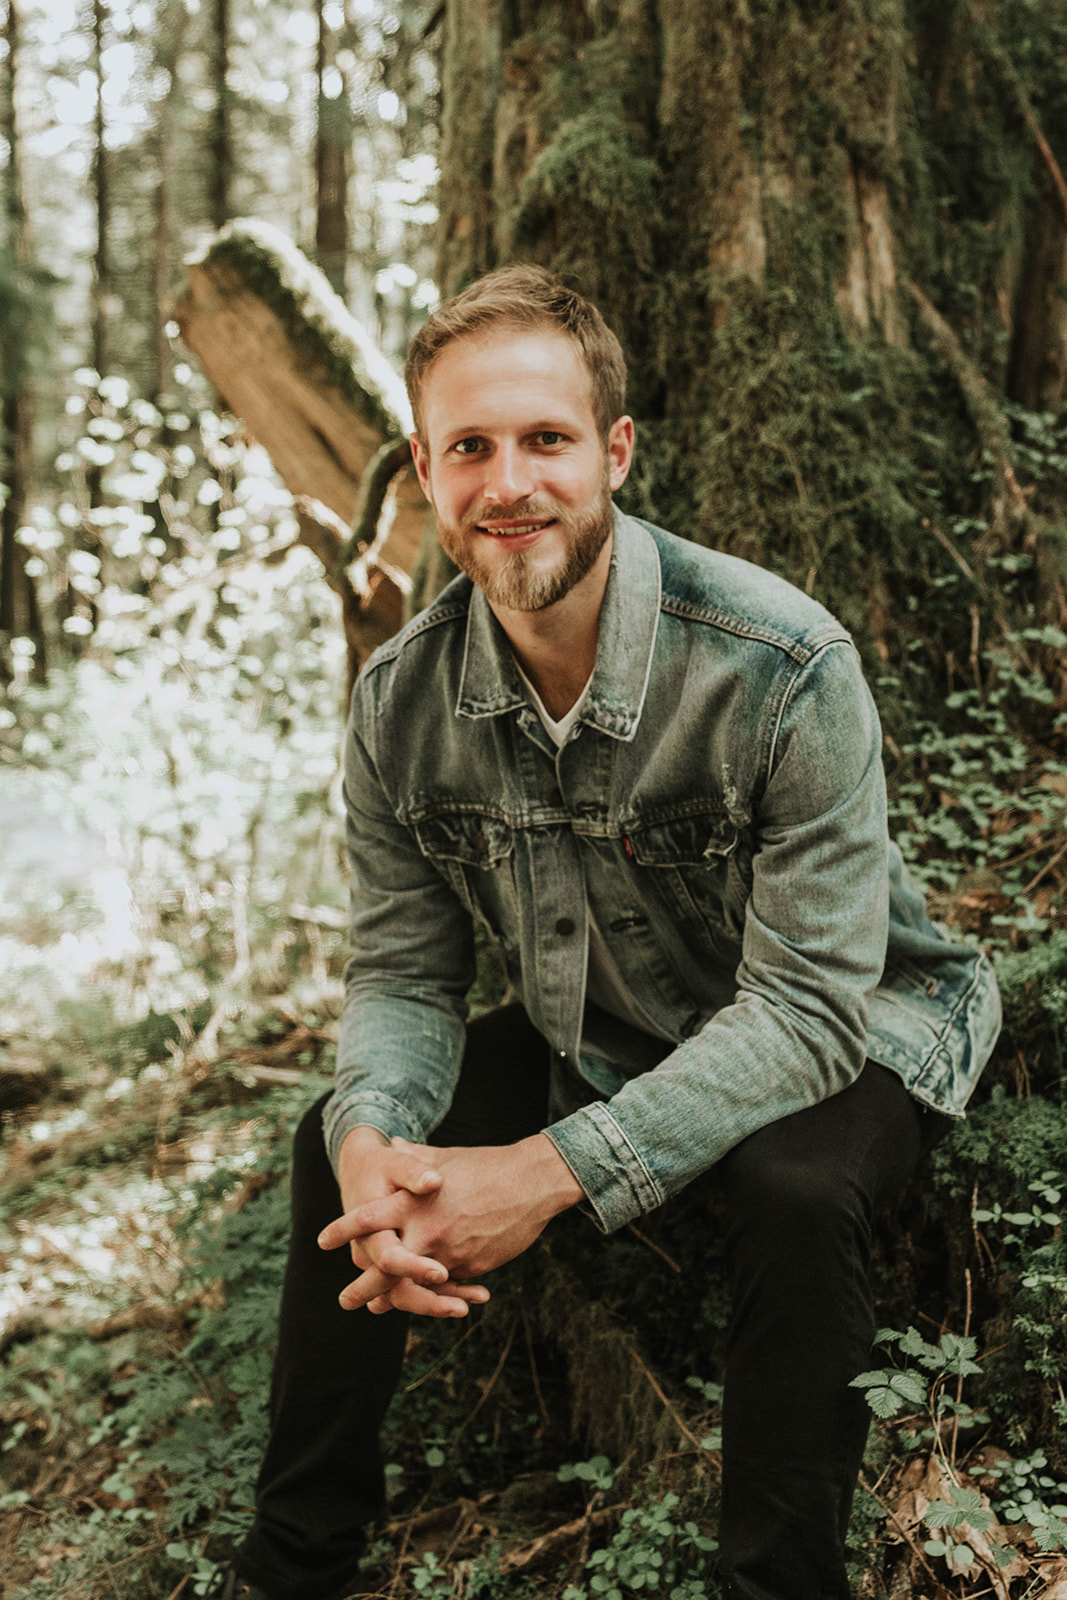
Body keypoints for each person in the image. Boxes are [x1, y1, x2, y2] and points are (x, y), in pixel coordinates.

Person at [208, 266, 1001, 1600]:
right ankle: (288, 1565)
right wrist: (371, 1146)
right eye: (470, 447)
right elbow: (404, 970)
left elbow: (806, 1017)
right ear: (423, 469)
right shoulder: (400, 702)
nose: (507, 482)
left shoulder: (781, 665)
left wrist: (541, 1174)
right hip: (613, 1026)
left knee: (793, 1189)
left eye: (546, 440)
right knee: (333, 1136)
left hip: (852, 1023)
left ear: (615, 453)